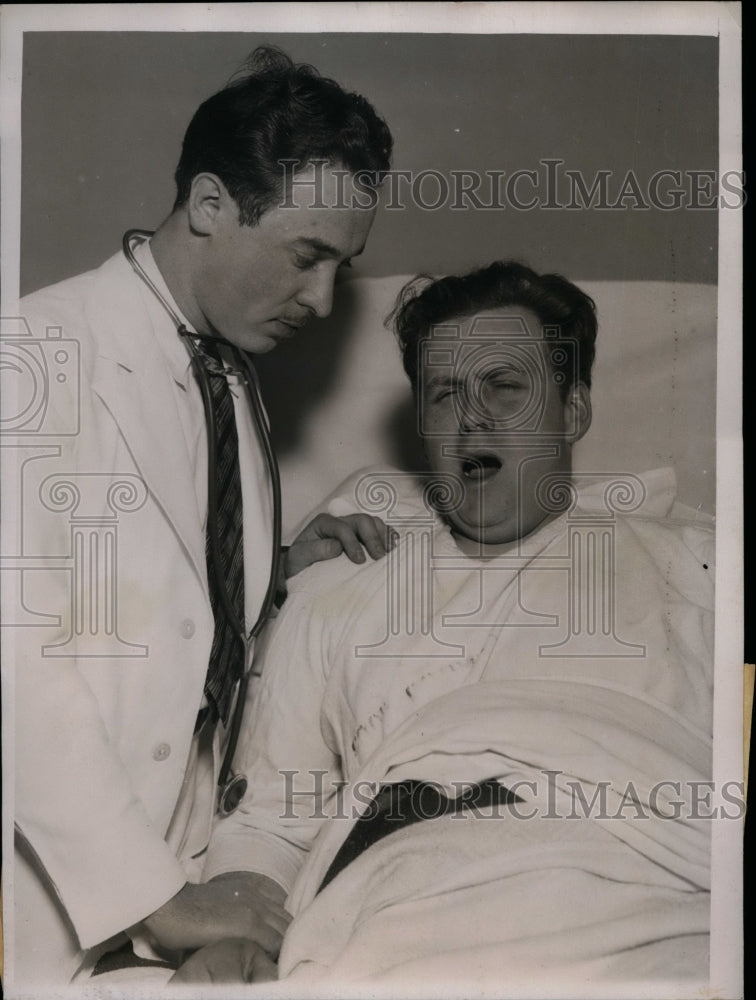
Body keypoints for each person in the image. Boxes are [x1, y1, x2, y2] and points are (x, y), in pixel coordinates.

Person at [173, 261, 714, 989]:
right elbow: (270, 825)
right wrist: (237, 929)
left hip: (650, 892)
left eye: (506, 388)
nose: (474, 419)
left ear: (574, 409)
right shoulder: (343, 586)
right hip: (398, 910)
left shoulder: (700, 566)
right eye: (446, 395)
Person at [7, 46, 394, 988]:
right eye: (307, 257)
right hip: (44, 900)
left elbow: (162, 569)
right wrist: (155, 899)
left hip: (156, 885)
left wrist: (272, 569)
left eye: (343, 266)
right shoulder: (35, 351)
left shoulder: (223, 375)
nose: (322, 300)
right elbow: (12, 656)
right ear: (213, 205)